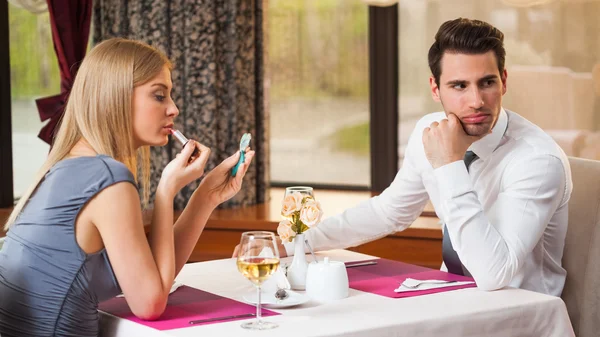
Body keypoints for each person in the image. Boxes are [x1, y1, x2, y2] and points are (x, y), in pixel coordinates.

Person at [255, 18, 573, 297]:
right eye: (459, 85)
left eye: (487, 83)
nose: (476, 101)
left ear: (503, 80)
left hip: (521, 314)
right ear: (435, 88)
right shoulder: (429, 132)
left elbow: (494, 274)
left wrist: (450, 166)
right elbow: (390, 211)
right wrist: (302, 242)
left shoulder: (536, 161)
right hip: (452, 298)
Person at [0, 38, 255, 337]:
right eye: (159, 96)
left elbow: (152, 278)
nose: (173, 109)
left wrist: (205, 197)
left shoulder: (65, 167)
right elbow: (150, 303)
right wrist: (165, 193)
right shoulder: (107, 177)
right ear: (115, 97)